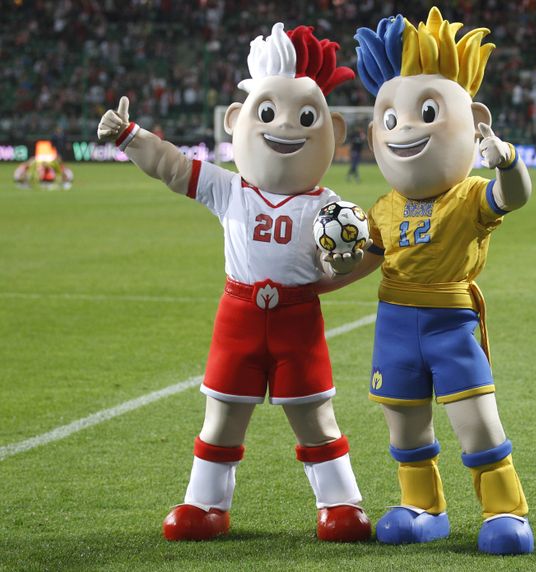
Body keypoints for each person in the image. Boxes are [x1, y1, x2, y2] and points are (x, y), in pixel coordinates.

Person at [97, 23, 371, 543]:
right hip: (239, 316)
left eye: (305, 118)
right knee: (222, 413)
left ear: (330, 127)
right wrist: (132, 137)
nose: (286, 127)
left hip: (297, 318)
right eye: (268, 114)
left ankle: (340, 504)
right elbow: (174, 167)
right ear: (236, 121)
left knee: (314, 415)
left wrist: (343, 266)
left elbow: (343, 263)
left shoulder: (329, 206)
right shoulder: (231, 190)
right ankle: (205, 505)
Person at [320, 7, 535, 555]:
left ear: (473, 118)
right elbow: (365, 260)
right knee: (406, 432)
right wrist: (318, 281)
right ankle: (424, 508)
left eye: (427, 114)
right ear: (374, 136)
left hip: (449, 322)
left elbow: (512, 197)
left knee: (478, 425)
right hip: (394, 327)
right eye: (391, 121)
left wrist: (506, 161)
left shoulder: (467, 196)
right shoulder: (384, 208)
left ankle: (505, 512)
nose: (406, 129)